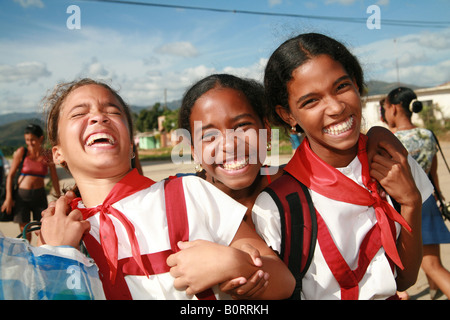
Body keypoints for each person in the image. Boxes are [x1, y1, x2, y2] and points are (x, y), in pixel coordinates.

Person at [37, 78, 294, 300]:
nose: (98, 116)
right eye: (79, 113)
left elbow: (284, 282)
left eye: (112, 111)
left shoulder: (190, 192)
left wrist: (236, 265)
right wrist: (57, 256)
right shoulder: (52, 233)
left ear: (131, 145)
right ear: (57, 152)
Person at [252, 33, 434, 300]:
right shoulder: (277, 204)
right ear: (288, 115)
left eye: (341, 87)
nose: (336, 107)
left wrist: (410, 201)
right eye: (311, 101)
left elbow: (406, 278)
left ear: (357, 84)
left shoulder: (394, 163)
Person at [383, 86, 450, 299]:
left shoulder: (388, 140)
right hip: (429, 200)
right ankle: (433, 289)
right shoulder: (428, 135)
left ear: (393, 108)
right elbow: (433, 172)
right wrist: (439, 197)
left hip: (401, 207)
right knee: (433, 261)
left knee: (429, 266)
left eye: (385, 108)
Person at [1, 124, 60, 242]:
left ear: (41, 139)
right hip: (21, 197)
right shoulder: (22, 152)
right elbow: (10, 176)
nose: (29, 143)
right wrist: (8, 198)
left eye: (32, 140)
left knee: (42, 227)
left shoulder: (47, 155)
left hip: (40, 196)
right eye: (27, 140)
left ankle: (41, 252)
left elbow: (54, 177)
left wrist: (59, 197)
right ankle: (27, 254)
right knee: (25, 230)